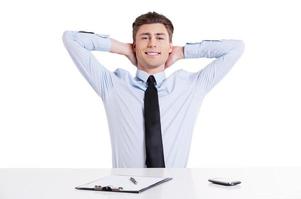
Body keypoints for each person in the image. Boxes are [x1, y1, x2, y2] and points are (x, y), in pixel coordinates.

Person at [62, 11, 244, 168]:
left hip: (175, 191)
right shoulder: (112, 85)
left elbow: (235, 48)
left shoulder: (191, 86)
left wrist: (183, 52)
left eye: (160, 37)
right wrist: (122, 49)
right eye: (144, 37)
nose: (152, 44)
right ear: (134, 45)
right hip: (125, 192)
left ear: (170, 46)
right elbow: (71, 39)